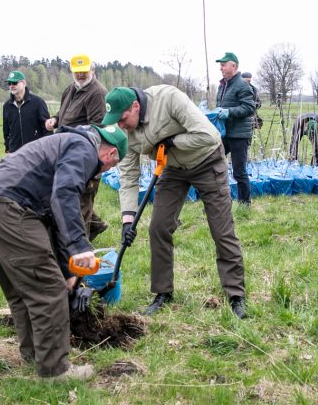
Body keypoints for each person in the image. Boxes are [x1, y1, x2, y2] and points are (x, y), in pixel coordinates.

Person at [0, 124, 128, 381]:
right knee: (49, 292)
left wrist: (67, 271)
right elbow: (64, 195)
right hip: (12, 211)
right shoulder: (85, 150)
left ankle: (33, 356)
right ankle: (54, 371)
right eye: (111, 167)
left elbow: (55, 216)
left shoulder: (65, 143)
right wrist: (80, 248)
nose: (104, 173)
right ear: (111, 155)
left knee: (23, 291)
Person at [103, 85, 248, 319]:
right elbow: (129, 175)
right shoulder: (125, 132)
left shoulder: (169, 99)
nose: (121, 126)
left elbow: (209, 135)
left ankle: (235, 295)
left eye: (123, 119)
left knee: (221, 229)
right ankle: (163, 293)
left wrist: (172, 142)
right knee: (158, 227)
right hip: (172, 168)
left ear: (136, 107)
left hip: (206, 160)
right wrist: (127, 220)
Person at [45, 55, 110, 240]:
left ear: (93, 70)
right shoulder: (70, 89)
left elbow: (97, 127)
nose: (81, 75)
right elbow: (64, 113)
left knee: (81, 200)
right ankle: (95, 226)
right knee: (71, 197)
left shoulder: (97, 93)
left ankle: (79, 247)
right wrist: (55, 120)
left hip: (84, 155)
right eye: (77, 72)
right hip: (65, 151)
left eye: (84, 71)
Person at [215, 53, 257, 206]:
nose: (221, 67)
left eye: (224, 64)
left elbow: (249, 108)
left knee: (239, 171)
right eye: (220, 65)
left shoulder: (242, 85)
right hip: (225, 133)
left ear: (234, 66)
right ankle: (218, 200)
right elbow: (221, 106)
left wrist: (229, 112)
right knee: (213, 163)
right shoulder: (222, 85)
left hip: (239, 135)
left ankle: (245, 203)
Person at [2, 70, 50, 153]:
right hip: (15, 153)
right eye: (9, 83)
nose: (11, 86)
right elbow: (6, 131)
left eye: (14, 83)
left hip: (36, 152)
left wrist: (48, 149)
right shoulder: (7, 106)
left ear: (23, 83)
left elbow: (47, 128)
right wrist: (8, 148)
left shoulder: (38, 102)